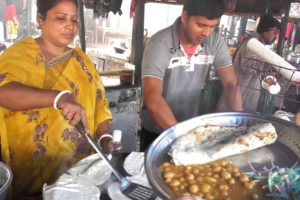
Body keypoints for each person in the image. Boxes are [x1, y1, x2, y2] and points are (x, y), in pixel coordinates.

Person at [0, 0, 112, 198]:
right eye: (60, 18)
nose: (70, 25)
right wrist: (60, 97)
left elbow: (100, 103)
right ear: (40, 19)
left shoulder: (82, 60)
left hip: (80, 177)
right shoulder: (18, 55)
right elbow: (4, 92)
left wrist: (105, 137)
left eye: (75, 19)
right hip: (31, 175)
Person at [140, 0, 242, 151]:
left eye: (212, 26)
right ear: (184, 17)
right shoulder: (159, 44)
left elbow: (231, 85)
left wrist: (239, 124)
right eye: (201, 25)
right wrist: (182, 138)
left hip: (191, 127)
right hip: (158, 131)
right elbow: (152, 96)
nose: (206, 33)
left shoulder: (215, 43)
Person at [217, 15, 281, 112]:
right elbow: (249, 64)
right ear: (266, 30)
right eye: (275, 32)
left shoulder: (259, 45)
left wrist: (266, 76)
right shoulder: (252, 44)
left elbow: (257, 69)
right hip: (237, 99)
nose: (275, 37)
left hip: (243, 99)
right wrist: (274, 68)